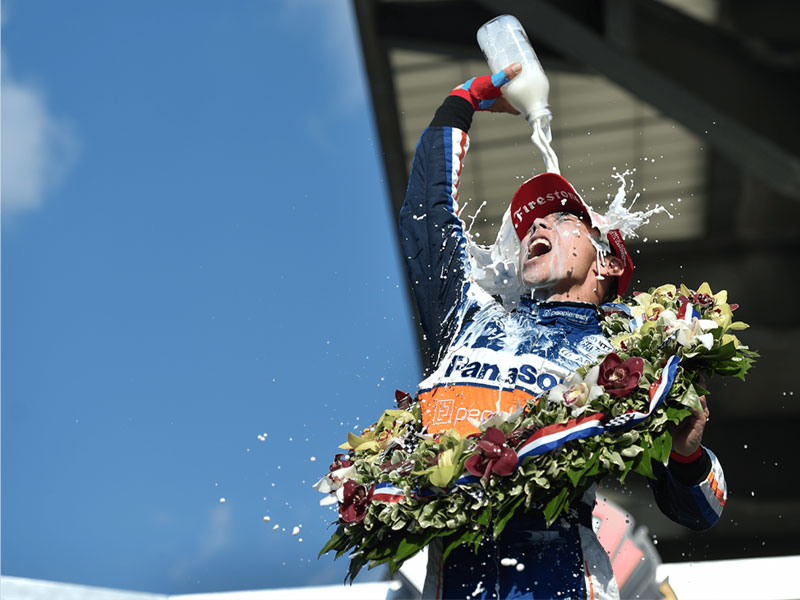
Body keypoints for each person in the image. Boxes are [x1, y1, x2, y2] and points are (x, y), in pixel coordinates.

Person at [399, 64, 727, 600]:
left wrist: (686, 453)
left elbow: (703, 511)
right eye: (530, 226)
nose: (536, 229)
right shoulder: (471, 318)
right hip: (453, 573)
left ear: (605, 262)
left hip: (562, 576)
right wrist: (462, 102)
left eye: (563, 219)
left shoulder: (626, 350)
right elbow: (426, 218)